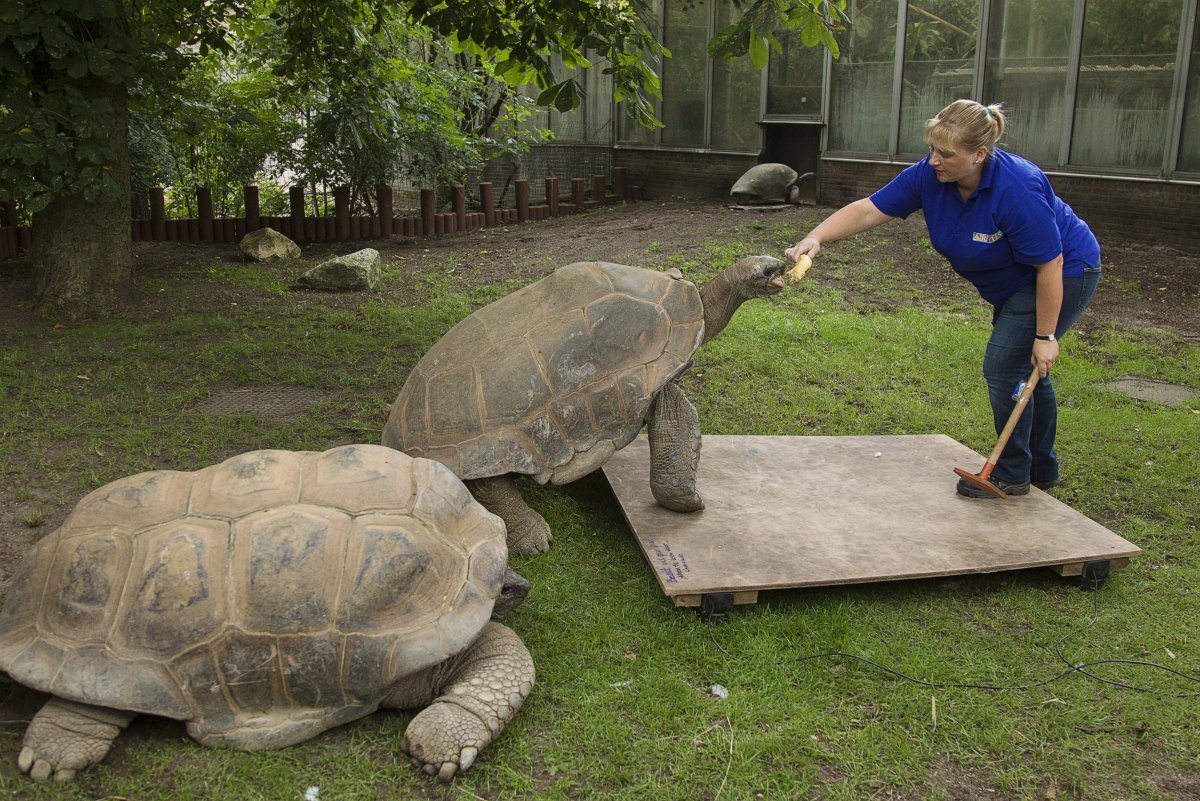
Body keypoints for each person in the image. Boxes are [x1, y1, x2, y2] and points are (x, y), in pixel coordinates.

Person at [786, 99, 1101, 497]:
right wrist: (816, 237)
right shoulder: (930, 175)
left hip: (1064, 272)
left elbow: (1050, 264)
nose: (934, 160)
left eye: (946, 154)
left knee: (1006, 366)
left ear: (979, 155)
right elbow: (869, 210)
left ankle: (1012, 472)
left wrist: (1045, 336)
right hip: (1015, 281)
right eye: (932, 149)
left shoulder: (1017, 187)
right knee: (1025, 369)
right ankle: (1042, 468)